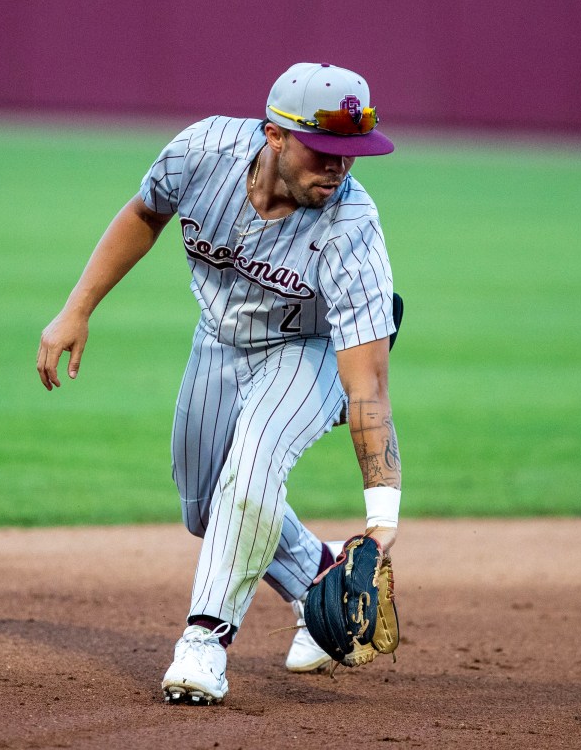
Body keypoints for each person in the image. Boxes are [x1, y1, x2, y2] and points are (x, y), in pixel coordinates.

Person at [36, 62, 402, 705]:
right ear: (274, 135)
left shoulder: (353, 229)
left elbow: (368, 384)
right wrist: (77, 308)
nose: (340, 167)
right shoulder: (203, 151)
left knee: (253, 468)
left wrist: (382, 514)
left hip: (306, 352)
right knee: (207, 505)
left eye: (352, 153)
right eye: (325, 150)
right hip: (218, 342)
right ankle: (318, 577)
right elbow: (144, 213)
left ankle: (205, 641)